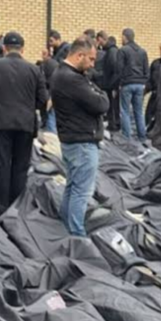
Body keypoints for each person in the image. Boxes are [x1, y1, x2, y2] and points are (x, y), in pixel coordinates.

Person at [0, 31, 48, 212]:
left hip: (1, 122)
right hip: (25, 123)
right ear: (23, 49)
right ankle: (17, 206)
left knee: (1, 164)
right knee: (21, 166)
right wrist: (28, 106)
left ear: (4, 48)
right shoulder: (34, 69)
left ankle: (1, 206)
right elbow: (43, 99)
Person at [50, 36, 109, 237]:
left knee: (73, 185)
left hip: (72, 139)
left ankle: (65, 221)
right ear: (79, 55)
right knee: (82, 191)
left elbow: (97, 94)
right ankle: (76, 233)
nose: (92, 64)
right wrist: (101, 95)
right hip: (82, 141)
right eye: (91, 59)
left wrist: (98, 93)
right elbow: (101, 104)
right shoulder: (72, 79)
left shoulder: (64, 74)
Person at [116, 28, 149, 141]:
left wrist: (120, 83)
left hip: (127, 84)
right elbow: (146, 70)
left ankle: (127, 137)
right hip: (140, 84)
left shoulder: (123, 50)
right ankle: (142, 137)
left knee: (125, 111)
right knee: (139, 111)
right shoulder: (143, 51)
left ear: (124, 37)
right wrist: (143, 82)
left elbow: (119, 69)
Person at [97, 33, 120, 132]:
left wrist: (113, 86)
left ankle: (114, 125)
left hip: (111, 85)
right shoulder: (109, 51)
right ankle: (112, 125)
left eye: (99, 40)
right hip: (110, 84)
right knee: (111, 106)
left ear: (101, 39)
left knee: (112, 107)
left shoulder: (112, 51)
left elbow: (115, 69)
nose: (98, 43)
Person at [38, 48, 59, 132]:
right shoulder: (56, 64)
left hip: (49, 94)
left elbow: (46, 81)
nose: (42, 56)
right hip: (54, 93)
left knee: (50, 118)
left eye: (44, 54)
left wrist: (49, 97)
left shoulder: (46, 65)